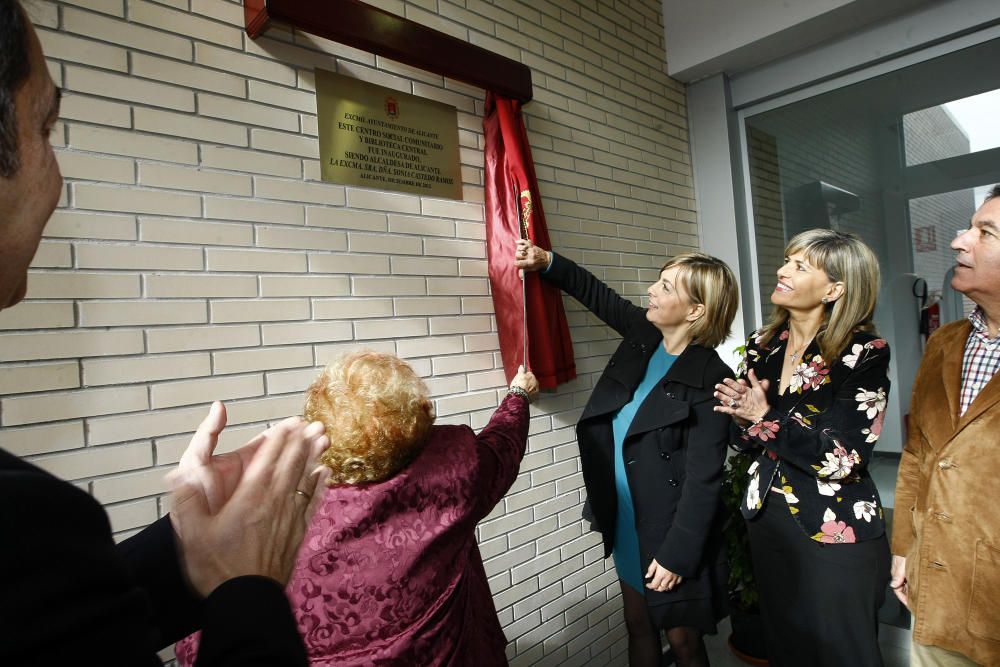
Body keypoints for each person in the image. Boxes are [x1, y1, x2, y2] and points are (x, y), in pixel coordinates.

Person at [0, 2, 331, 664]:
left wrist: (187, 550)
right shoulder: (28, 523)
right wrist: (248, 588)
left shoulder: (38, 546)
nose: (58, 179)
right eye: (46, 124)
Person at [176, 351, 540, 666]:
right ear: (416, 430)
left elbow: (196, 645)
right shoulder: (455, 479)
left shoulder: (258, 536)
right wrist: (518, 394)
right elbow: (501, 448)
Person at [515, 240, 738, 667]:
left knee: (684, 639)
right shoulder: (643, 334)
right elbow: (598, 294)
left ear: (695, 310)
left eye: (667, 286)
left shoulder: (713, 378)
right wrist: (547, 262)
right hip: (626, 517)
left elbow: (703, 481)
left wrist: (677, 555)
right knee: (637, 623)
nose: (652, 290)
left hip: (672, 530)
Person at [714, 228, 890, 666]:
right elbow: (747, 442)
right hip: (767, 520)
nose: (782, 271)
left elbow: (844, 458)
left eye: (799, 265)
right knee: (787, 648)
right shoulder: (763, 344)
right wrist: (741, 419)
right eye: (786, 261)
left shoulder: (863, 352)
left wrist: (762, 417)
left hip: (836, 526)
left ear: (835, 288)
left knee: (844, 654)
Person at [891, 186, 1000, 667]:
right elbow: (918, 455)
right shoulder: (944, 341)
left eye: (985, 232)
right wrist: (904, 550)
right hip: (934, 592)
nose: (959, 241)